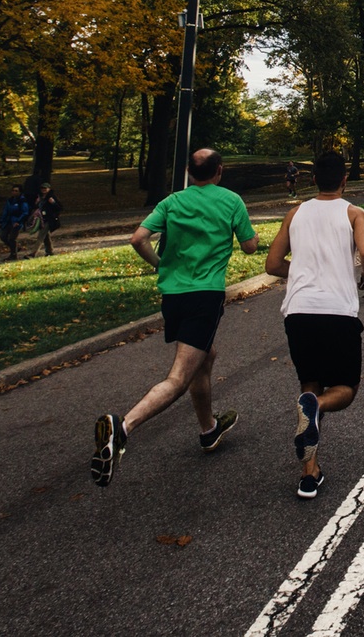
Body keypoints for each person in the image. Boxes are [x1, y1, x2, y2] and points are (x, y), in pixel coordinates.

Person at [90, 148, 259, 487]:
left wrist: (159, 264)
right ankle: (122, 429)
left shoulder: (171, 202)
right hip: (204, 296)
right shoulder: (230, 201)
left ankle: (208, 430)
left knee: (205, 357)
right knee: (179, 377)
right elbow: (250, 247)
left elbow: (138, 238)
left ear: (188, 171)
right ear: (219, 171)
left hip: (173, 296)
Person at [265, 149, 364, 499]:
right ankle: (319, 408)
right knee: (345, 388)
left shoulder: (295, 213)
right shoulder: (354, 213)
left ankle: (309, 473)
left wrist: (300, 273)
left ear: (313, 179)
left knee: (309, 385)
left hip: (299, 312)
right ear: (345, 179)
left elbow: (272, 264)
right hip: (338, 311)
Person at [27, 182, 62, 258]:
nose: (44, 190)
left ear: (49, 189)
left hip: (49, 219)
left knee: (41, 236)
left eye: (45, 188)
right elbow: (37, 207)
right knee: (45, 236)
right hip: (41, 219)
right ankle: (50, 251)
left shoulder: (52, 197)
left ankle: (33, 253)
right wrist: (36, 203)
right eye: (42, 188)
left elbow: (59, 208)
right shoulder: (40, 197)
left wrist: (53, 203)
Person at [0, 185, 29, 260]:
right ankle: (16, 248)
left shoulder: (22, 201)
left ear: (20, 192)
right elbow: (6, 211)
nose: (14, 192)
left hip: (17, 221)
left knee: (12, 238)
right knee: (3, 236)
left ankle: (13, 255)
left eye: (16, 191)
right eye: (13, 191)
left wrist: (19, 221)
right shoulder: (10, 200)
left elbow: (25, 212)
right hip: (8, 221)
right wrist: (2, 220)